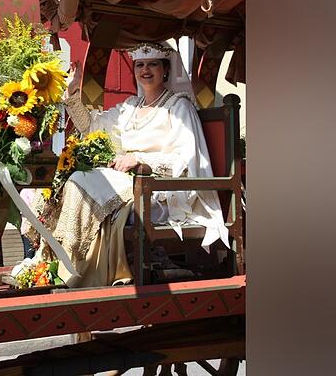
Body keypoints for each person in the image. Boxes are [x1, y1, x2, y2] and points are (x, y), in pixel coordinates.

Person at [33, 41, 230, 288]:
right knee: (76, 180)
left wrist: (141, 159)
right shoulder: (129, 107)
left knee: (81, 181)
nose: (145, 70)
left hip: (160, 190)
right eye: (140, 65)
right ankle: (58, 262)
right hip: (125, 181)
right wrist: (73, 95)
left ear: (165, 70)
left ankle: (78, 271)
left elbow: (187, 160)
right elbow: (91, 127)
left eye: (153, 64)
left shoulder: (180, 107)